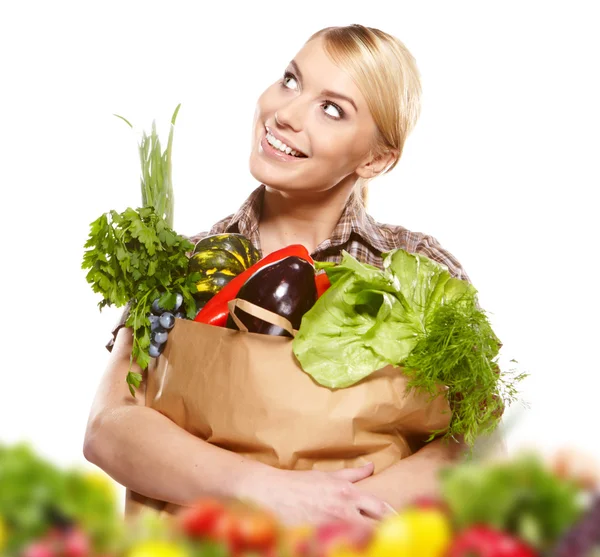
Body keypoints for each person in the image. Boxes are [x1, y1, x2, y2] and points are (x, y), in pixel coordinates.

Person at [84, 24, 470, 526]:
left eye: (332, 109)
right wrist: (265, 490)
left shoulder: (415, 266)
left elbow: (475, 441)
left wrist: (336, 510)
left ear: (377, 158)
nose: (284, 114)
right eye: (291, 80)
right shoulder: (185, 264)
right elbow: (108, 427)